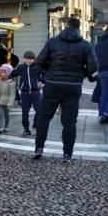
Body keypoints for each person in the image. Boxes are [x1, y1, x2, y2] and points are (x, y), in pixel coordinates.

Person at [34, 17, 98, 162]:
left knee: (44, 117)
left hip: (52, 84)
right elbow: (94, 67)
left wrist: (45, 75)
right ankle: (67, 154)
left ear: (66, 26)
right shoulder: (86, 45)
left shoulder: (53, 42)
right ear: (79, 27)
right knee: (69, 122)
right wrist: (87, 77)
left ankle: (39, 148)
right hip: (73, 86)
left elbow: (39, 62)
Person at [11, 50, 43, 135]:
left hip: (36, 92)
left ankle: (36, 125)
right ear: (24, 59)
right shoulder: (21, 67)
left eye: (31, 59)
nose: (29, 61)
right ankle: (26, 129)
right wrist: (6, 75)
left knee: (40, 110)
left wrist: (41, 81)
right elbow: (13, 73)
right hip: (25, 93)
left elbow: (45, 74)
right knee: (25, 112)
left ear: (34, 59)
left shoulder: (37, 67)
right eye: (27, 59)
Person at [0, 64, 16, 134]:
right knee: (0, 115)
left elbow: (12, 95)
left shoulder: (11, 83)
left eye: (5, 72)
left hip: (7, 102)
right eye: (1, 72)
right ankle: (0, 127)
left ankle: (6, 126)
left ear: (8, 73)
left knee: (6, 115)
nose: (3, 74)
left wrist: (10, 104)